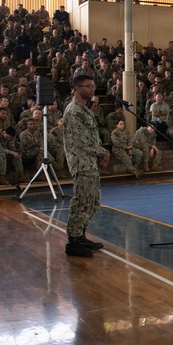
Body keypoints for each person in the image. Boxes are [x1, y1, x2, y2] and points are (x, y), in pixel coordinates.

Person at [62, 69, 110, 257]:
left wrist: (98, 154)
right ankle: (73, 241)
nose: (92, 90)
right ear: (76, 88)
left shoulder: (85, 111)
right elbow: (82, 141)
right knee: (81, 200)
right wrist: (102, 152)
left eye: (93, 86)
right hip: (81, 163)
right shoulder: (74, 111)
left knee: (92, 201)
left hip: (90, 161)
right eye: (88, 86)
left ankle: (80, 235)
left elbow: (92, 136)